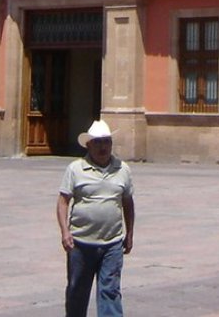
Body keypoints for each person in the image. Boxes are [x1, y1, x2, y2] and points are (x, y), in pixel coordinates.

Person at [57, 119, 134, 317]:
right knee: (77, 291)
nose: (103, 147)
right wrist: (65, 232)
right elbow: (63, 201)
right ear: (89, 145)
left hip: (112, 243)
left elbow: (128, 202)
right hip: (80, 243)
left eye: (107, 142)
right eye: (98, 142)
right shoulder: (75, 169)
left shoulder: (122, 169)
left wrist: (130, 233)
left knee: (110, 291)